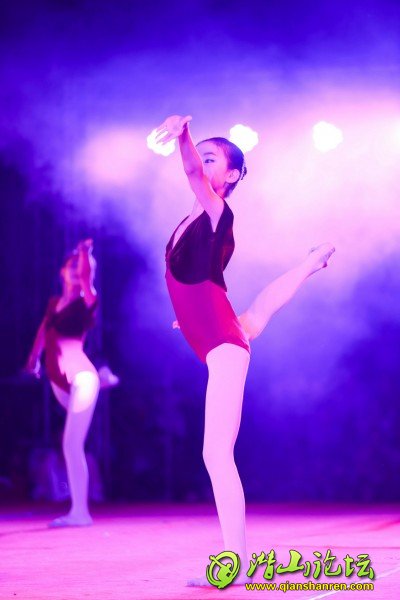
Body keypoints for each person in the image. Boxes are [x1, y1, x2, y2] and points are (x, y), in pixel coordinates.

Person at [157, 115, 335, 586]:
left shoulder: (218, 213)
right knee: (253, 318)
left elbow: (191, 172)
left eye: (211, 159)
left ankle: (233, 563)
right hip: (216, 333)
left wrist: (183, 135)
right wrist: (189, 316)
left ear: (230, 175)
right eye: (201, 156)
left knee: (216, 455)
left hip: (221, 344)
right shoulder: (191, 221)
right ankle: (311, 263)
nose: (201, 164)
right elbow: (196, 283)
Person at [25, 239, 100, 527]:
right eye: (71, 267)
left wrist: (84, 253)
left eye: (80, 269)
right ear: (61, 272)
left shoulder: (87, 301)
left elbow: (86, 279)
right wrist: (33, 359)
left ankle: (80, 512)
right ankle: (78, 511)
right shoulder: (54, 303)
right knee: (70, 442)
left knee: (71, 444)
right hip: (59, 382)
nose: (76, 272)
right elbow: (44, 330)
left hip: (82, 378)